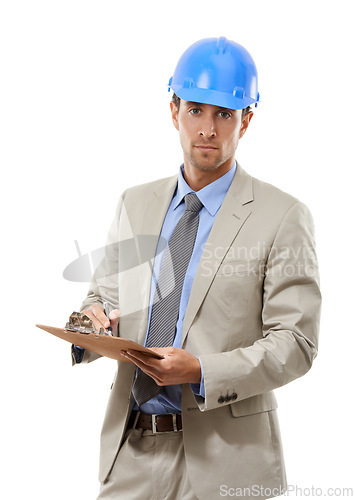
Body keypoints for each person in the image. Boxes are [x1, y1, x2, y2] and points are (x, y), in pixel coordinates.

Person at [71, 37, 321, 500]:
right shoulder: (135, 202)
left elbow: (297, 342)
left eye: (224, 114)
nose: (208, 128)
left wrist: (202, 371)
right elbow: (103, 298)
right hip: (132, 452)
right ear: (174, 111)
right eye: (196, 110)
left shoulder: (283, 216)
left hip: (227, 461)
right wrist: (89, 321)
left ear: (246, 120)